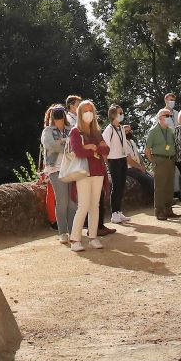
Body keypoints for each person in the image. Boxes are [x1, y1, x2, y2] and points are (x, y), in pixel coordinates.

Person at [68, 103, 109, 250]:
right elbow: (78, 151)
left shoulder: (96, 131)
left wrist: (91, 148)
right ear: (80, 113)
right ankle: (75, 240)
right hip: (84, 173)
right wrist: (94, 151)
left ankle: (93, 237)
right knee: (83, 206)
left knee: (94, 206)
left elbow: (106, 149)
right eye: (85, 111)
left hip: (98, 172)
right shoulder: (75, 131)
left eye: (90, 110)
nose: (88, 113)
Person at [41, 105, 76, 242]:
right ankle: (62, 233)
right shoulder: (47, 131)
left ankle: (73, 231)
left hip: (71, 168)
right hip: (55, 169)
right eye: (56, 117)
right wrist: (66, 144)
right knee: (62, 201)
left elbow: (76, 144)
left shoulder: (71, 130)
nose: (59, 120)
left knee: (72, 203)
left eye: (60, 117)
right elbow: (50, 145)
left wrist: (61, 142)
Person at [103, 105, 141, 225]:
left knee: (122, 185)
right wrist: (106, 163)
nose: (122, 114)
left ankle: (119, 211)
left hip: (122, 159)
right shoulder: (109, 129)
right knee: (116, 186)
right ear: (113, 115)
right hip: (113, 160)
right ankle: (114, 213)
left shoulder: (120, 129)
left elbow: (124, 144)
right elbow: (104, 148)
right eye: (120, 113)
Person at [144, 108, 181, 220]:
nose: (169, 117)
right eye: (167, 115)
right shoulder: (153, 131)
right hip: (159, 160)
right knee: (160, 187)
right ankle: (159, 211)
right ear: (160, 118)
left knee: (169, 186)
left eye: (170, 115)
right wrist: (154, 161)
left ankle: (168, 210)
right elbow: (147, 150)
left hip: (170, 160)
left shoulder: (170, 131)